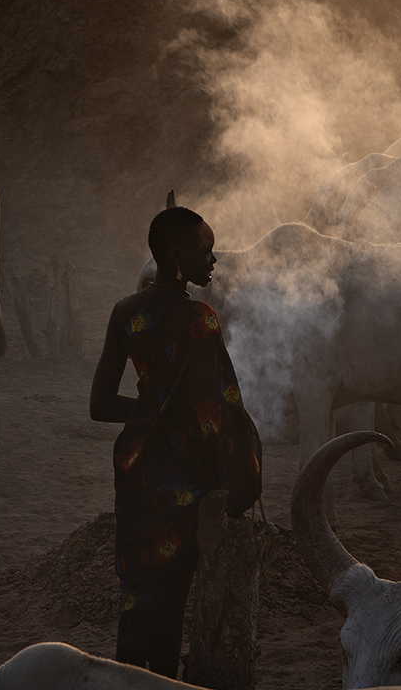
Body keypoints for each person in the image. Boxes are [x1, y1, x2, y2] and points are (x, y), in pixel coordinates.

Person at [90, 204, 262, 677]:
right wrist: (244, 479)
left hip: (135, 472)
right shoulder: (200, 320)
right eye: (205, 250)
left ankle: (126, 680)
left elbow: (100, 406)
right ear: (175, 254)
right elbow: (223, 410)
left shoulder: (125, 312)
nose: (213, 260)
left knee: (138, 598)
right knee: (172, 604)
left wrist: (153, 414)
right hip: (183, 480)